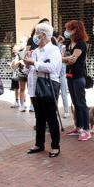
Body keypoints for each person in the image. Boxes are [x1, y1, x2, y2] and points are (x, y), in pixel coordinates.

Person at [23, 22, 62, 158]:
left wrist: (34, 63)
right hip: (35, 87)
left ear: (43, 35)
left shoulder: (54, 50)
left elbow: (52, 67)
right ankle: (39, 143)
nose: (35, 37)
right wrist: (26, 62)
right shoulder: (35, 51)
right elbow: (26, 70)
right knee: (39, 117)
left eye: (37, 34)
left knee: (51, 117)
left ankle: (55, 146)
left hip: (48, 87)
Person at [63, 20, 91, 141]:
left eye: (69, 29)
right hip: (70, 76)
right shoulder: (69, 43)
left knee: (81, 103)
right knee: (75, 103)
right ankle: (78, 126)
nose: (67, 31)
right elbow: (66, 59)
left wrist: (62, 58)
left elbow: (72, 60)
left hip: (79, 77)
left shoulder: (81, 44)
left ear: (75, 30)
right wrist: (65, 58)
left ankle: (86, 129)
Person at [56, 34, 71, 118]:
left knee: (64, 92)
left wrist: (59, 43)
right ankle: (55, 110)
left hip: (62, 73)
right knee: (56, 93)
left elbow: (61, 56)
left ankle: (66, 111)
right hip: (56, 73)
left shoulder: (63, 47)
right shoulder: (53, 47)